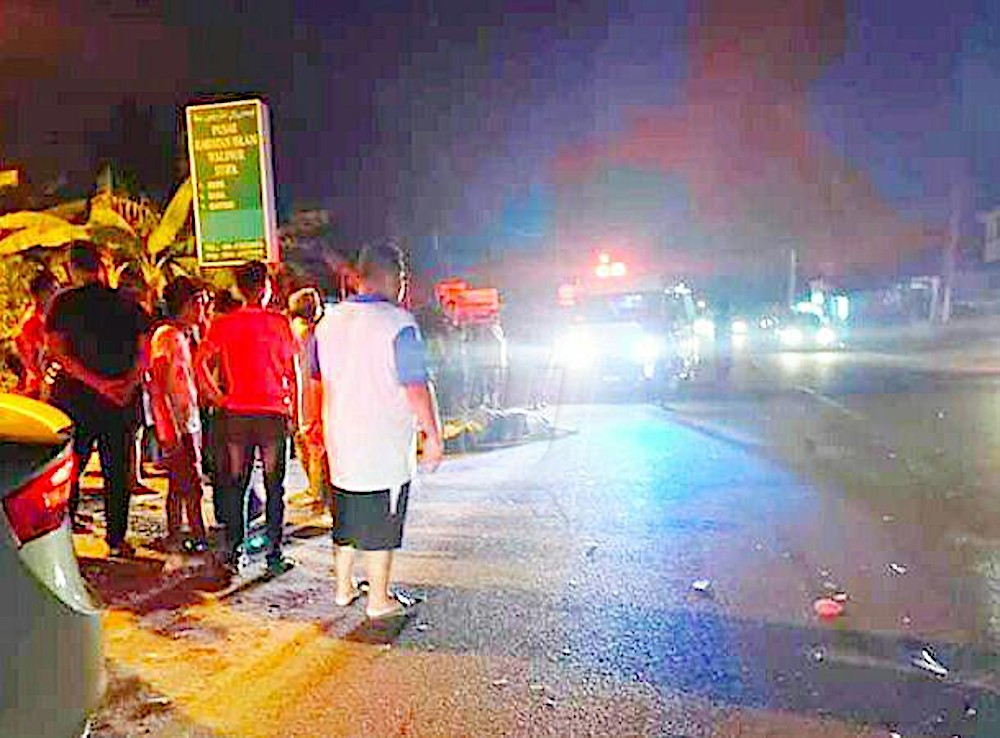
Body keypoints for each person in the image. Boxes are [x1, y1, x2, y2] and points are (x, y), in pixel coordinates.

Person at [310, 243, 444, 620]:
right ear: (393, 277)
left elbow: (315, 379)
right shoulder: (399, 324)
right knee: (382, 520)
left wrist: (312, 424)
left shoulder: (328, 322)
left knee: (346, 515)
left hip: (340, 438)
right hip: (383, 443)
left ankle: (343, 588)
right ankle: (379, 599)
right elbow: (415, 385)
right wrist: (433, 435)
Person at [45, 241, 150, 556]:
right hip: (120, 402)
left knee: (69, 471)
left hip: (75, 401)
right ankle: (116, 539)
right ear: (101, 265)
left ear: (72, 268)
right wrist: (125, 385)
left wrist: (96, 383)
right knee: (116, 472)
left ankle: (63, 539)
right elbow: (144, 353)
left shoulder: (63, 303)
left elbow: (57, 351)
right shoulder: (128, 303)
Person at [194, 261, 298, 576]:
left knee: (237, 483)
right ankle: (274, 554)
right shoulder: (279, 322)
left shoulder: (224, 324)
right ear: (265, 287)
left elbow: (199, 362)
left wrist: (217, 397)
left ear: (240, 289)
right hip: (272, 412)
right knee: (274, 485)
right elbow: (292, 371)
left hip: (237, 412)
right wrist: (295, 410)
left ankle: (236, 550)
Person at [148, 277, 208, 552]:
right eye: (199, 303)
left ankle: (177, 533)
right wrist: (167, 428)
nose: (203, 310)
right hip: (177, 425)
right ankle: (197, 535)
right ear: (185, 305)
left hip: (187, 421)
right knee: (191, 483)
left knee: (179, 482)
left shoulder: (182, 336)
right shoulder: (166, 337)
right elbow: (157, 386)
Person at [287, 287, 329, 512]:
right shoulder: (313, 333)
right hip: (311, 393)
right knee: (315, 445)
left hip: (297, 394)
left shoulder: (294, 331)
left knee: (307, 442)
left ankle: (315, 491)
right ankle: (317, 492)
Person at [13, 270, 61, 399]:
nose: (58, 295)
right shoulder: (29, 326)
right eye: (53, 291)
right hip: (42, 388)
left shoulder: (60, 315)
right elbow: (35, 365)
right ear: (40, 296)